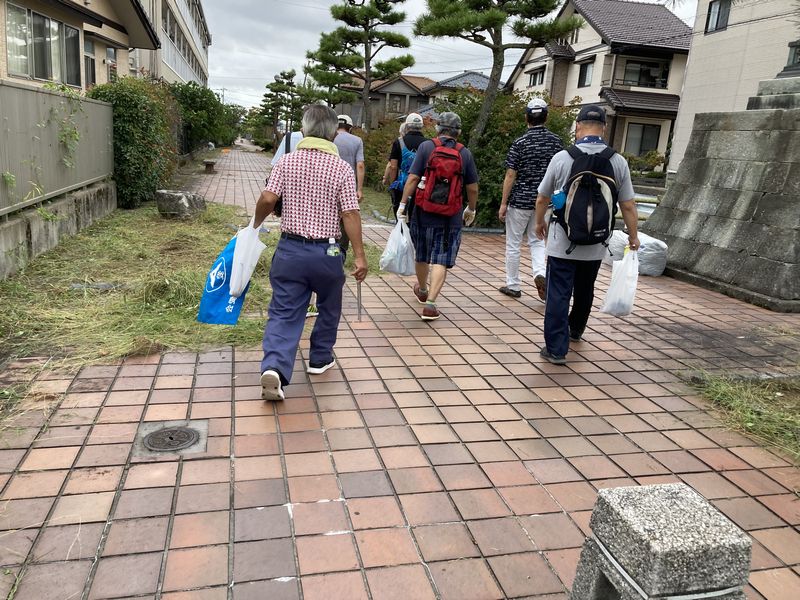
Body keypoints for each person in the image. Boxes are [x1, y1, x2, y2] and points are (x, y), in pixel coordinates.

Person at [253, 105, 368, 401]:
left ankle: (275, 367)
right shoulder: (341, 168)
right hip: (327, 251)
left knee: (284, 311)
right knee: (329, 305)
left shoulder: (286, 162)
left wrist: (255, 225)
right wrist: (359, 256)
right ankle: (319, 358)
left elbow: (268, 197)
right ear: (333, 134)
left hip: (290, 250)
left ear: (303, 130)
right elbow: (350, 214)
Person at [534, 104, 640, 365]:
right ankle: (576, 329)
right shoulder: (617, 161)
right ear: (604, 128)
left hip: (562, 240)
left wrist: (539, 223)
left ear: (578, 127)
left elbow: (542, 197)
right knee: (585, 288)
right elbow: (628, 204)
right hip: (596, 242)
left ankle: (556, 349)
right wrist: (633, 236)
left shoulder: (562, 158)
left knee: (559, 292)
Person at [397, 112, 479, 321]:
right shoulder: (464, 153)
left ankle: (423, 290)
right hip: (450, 216)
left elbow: (413, 178)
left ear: (438, 129)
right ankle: (431, 304)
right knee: (441, 259)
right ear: (458, 132)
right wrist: (471, 209)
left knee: (422, 255)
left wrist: (403, 204)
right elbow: (472, 187)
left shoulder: (426, 147)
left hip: (423, 212)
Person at [498, 98, 563, 301]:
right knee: (538, 240)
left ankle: (513, 285)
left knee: (513, 243)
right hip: (546, 200)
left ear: (526, 117)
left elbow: (511, 175)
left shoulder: (520, 143)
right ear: (546, 117)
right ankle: (539, 273)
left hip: (520, 200)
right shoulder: (556, 142)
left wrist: (503, 203)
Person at [333, 115, 366, 257]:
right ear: (350, 127)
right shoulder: (357, 140)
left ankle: (328, 250)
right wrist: (359, 189)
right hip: (348, 186)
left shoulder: (330, 138)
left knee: (329, 217)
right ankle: (340, 252)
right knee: (346, 217)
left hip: (329, 185)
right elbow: (360, 165)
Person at [387, 113, 428, 219]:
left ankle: (401, 228)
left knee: (400, 215)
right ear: (421, 126)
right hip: (421, 185)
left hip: (402, 183)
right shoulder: (428, 144)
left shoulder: (399, 142)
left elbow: (393, 167)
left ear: (407, 126)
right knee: (416, 215)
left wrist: (393, 184)